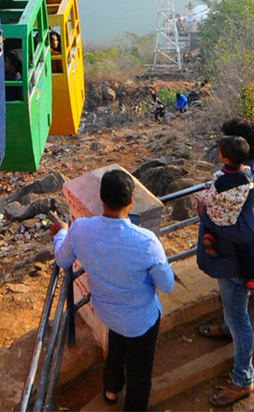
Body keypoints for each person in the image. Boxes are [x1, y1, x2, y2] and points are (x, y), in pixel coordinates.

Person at [51, 169, 173, 411]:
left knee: (117, 344)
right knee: (139, 371)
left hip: (106, 312)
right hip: (140, 320)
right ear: (130, 200)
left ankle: (111, 389)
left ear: (101, 198)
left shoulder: (81, 230)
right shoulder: (146, 241)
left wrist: (61, 232)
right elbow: (167, 285)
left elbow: (62, 260)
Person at [196, 121, 254, 408]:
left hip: (235, 264)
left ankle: (243, 378)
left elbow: (244, 232)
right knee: (234, 310)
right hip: (228, 260)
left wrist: (206, 216)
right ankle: (229, 327)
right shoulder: (242, 175)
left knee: (240, 317)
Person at [198, 136, 254, 287]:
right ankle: (251, 277)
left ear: (224, 159)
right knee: (242, 251)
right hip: (234, 217)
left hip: (221, 218)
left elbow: (210, 199)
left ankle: (209, 236)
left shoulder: (220, 179)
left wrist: (205, 195)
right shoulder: (248, 174)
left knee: (207, 214)